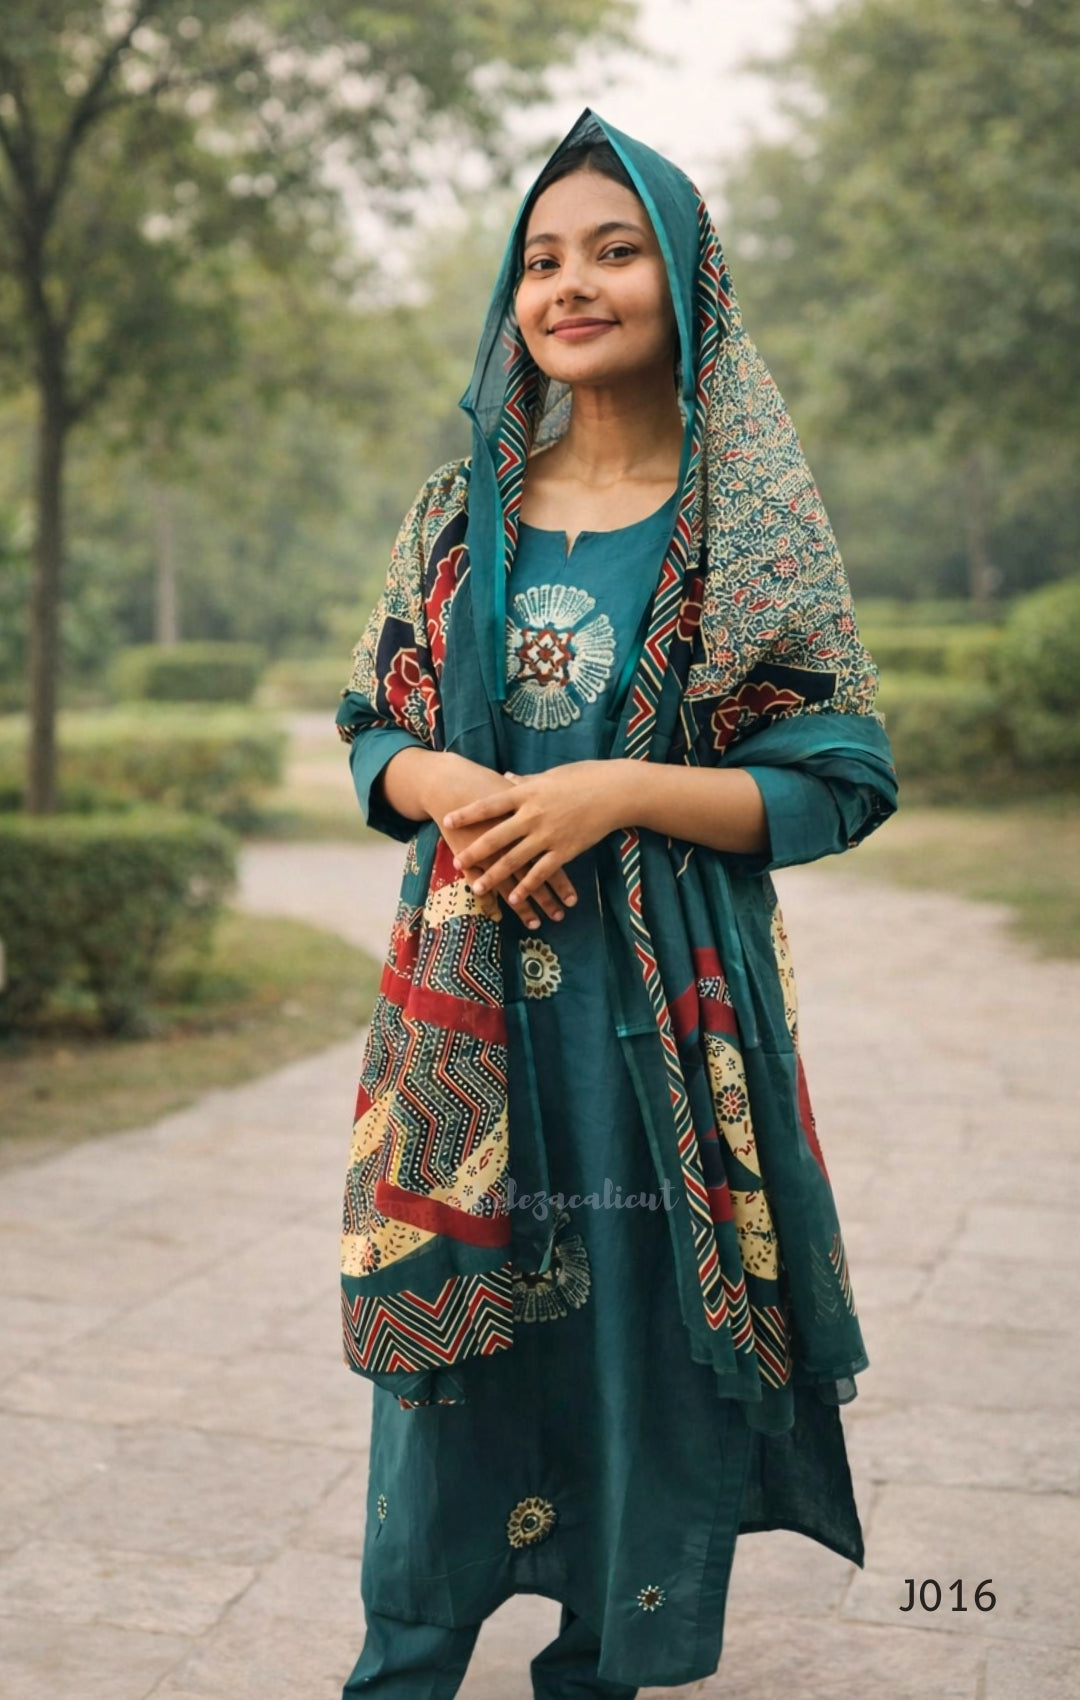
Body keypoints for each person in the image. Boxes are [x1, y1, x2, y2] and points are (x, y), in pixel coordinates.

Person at [334, 110, 898, 1700]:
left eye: (614, 248)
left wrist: (620, 790)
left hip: (653, 1049)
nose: (569, 285)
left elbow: (841, 777)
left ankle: (599, 1667)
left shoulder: (746, 527)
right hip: (466, 1046)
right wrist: (436, 784)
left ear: (688, 276)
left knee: (640, 1367)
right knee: (443, 1394)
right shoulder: (460, 518)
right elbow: (368, 727)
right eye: (541, 259)